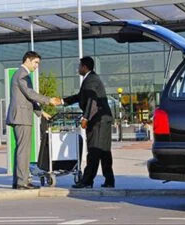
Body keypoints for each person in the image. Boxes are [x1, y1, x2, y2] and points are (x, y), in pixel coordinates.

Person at [6, 51, 60, 190]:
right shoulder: (22, 74)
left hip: (20, 116)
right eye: (36, 63)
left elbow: (27, 97)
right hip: (22, 117)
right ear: (28, 60)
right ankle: (22, 182)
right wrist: (49, 100)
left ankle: (18, 181)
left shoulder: (20, 74)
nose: (37, 66)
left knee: (21, 150)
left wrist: (41, 112)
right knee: (23, 150)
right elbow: (30, 94)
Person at [62, 56, 115, 188]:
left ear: (85, 67)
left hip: (97, 120)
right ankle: (109, 180)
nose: (78, 68)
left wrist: (85, 118)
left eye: (79, 66)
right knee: (103, 151)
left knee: (94, 151)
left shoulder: (91, 80)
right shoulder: (91, 79)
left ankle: (87, 181)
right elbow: (81, 97)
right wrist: (63, 101)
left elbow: (92, 100)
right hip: (103, 119)